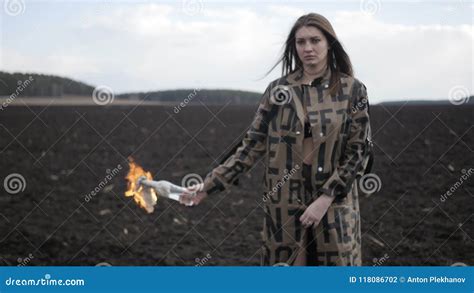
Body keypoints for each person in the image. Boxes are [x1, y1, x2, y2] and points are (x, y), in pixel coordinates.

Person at [180, 12, 374, 266]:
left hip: (334, 207)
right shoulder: (278, 91)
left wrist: (326, 198)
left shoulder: (351, 90)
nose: (308, 48)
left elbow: (359, 150)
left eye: (315, 40)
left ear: (329, 43)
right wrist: (207, 186)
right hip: (283, 205)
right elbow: (250, 146)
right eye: (301, 42)